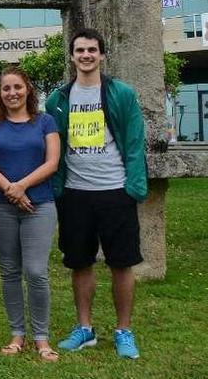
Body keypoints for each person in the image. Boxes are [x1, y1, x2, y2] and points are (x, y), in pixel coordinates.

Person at [46, 29, 148, 360]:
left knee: (122, 263)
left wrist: (134, 185)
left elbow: (134, 141)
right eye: (80, 50)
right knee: (80, 263)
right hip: (75, 193)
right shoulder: (58, 99)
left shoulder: (121, 93)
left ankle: (124, 331)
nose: (86, 55)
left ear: (102, 55)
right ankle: (84, 328)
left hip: (115, 190)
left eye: (92, 50)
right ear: (72, 56)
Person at [0, 67, 60, 362]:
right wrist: (10, 190)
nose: (12, 93)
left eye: (17, 87)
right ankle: (17, 334)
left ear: (28, 89)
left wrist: (22, 187)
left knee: (37, 272)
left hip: (39, 205)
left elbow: (52, 162)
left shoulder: (46, 122)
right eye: (6, 89)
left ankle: (41, 337)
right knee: (10, 271)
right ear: (0, 94)